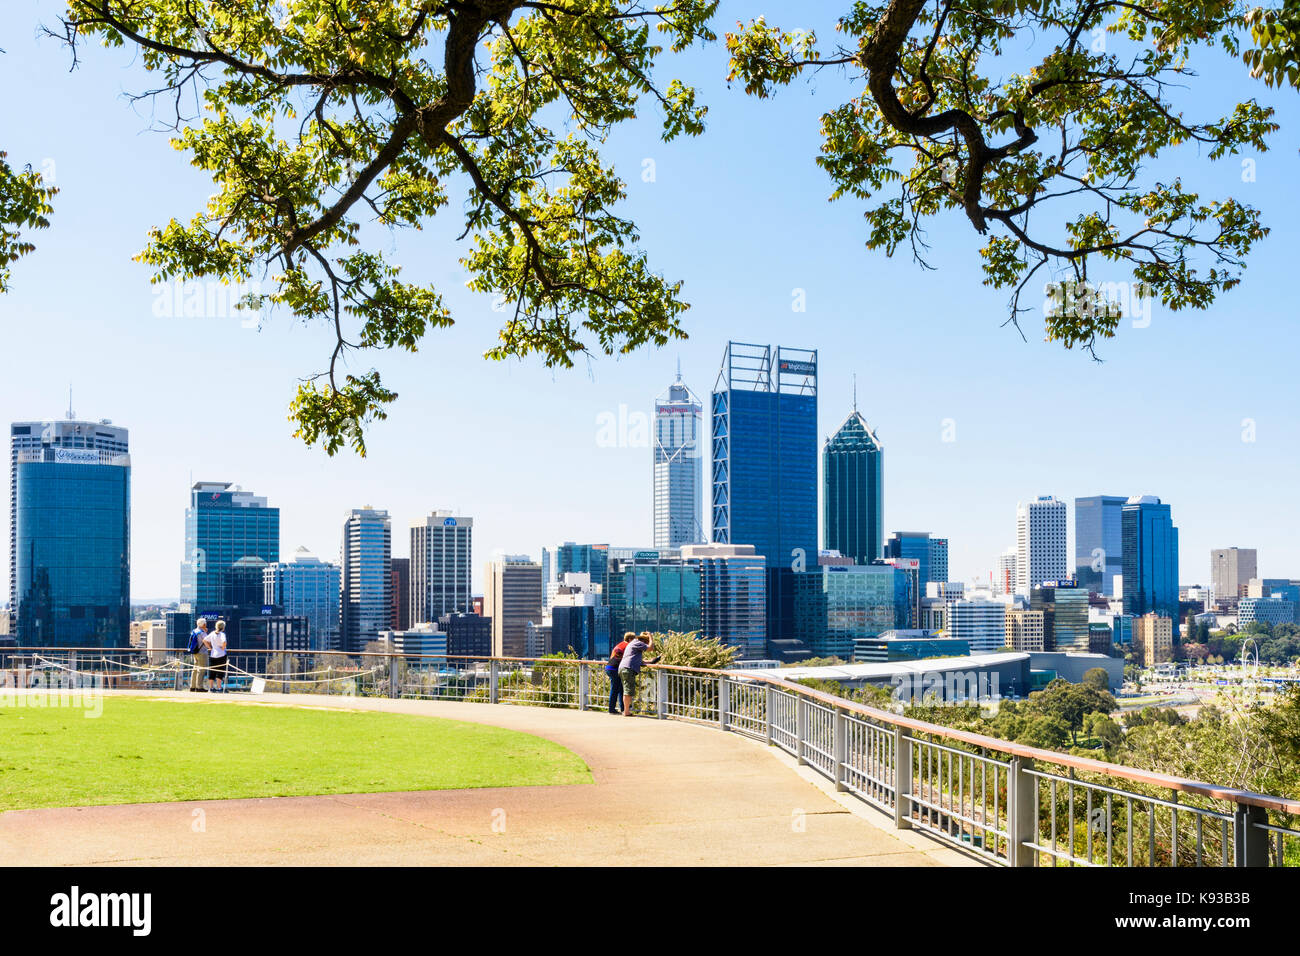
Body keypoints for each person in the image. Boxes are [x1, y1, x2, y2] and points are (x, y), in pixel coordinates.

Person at [619, 631, 654, 717]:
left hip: (624, 667)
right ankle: (626, 711)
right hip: (628, 668)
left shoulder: (633, 644)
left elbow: (636, 659)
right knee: (628, 691)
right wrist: (651, 637)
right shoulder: (638, 643)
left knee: (627, 690)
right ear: (644, 640)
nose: (646, 644)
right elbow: (650, 648)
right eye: (646, 641)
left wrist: (650, 661)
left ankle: (626, 710)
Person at [606, 632, 634, 714]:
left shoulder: (619, 645)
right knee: (616, 689)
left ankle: (622, 708)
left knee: (620, 688)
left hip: (609, 667)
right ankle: (613, 709)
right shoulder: (628, 646)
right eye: (633, 640)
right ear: (630, 639)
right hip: (615, 668)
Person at [204, 620, 229, 692]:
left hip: (213, 654)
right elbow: (224, 642)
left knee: (212, 671)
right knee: (220, 671)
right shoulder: (222, 634)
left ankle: (211, 688)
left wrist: (210, 648)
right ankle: (219, 688)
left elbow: (205, 640)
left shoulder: (212, 633)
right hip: (221, 655)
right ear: (223, 627)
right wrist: (223, 648)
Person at [187, 617, 209, 692]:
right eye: (205, 623)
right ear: (203, 624)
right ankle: (199, 687)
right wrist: (206, 632)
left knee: (195, 669)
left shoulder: (194, 631)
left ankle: (192, 686)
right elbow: (207, 641)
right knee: (201, 670)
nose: (206, 624)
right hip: (202, 653)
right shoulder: (202, 633)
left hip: (195, 652)